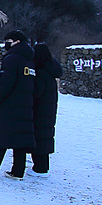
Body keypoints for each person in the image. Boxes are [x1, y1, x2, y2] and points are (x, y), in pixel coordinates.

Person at [0, 30, 36, 180]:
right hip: (25, 104)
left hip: (10, 105)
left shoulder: (12, 59)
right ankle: (18, 171)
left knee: (1, 137)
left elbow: (6, 83)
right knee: (20, 138)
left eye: (8, 40)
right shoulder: (29, 60)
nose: (6, 44)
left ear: (17, 41)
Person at [31, 43, 63, 176]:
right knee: (45, 137)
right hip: (48, 110)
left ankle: (40, 168)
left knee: (39, 138)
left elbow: (36, 92)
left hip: (39, 110)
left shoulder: (41, 72)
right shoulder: (51, 70)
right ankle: (43, 166)